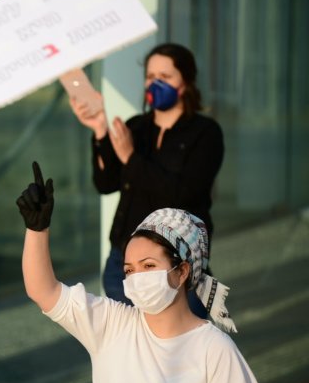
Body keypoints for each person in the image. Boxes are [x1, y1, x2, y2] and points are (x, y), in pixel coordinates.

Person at [17, 162, 263, 383]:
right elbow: (43, 290)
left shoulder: (216, 350)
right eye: (129, 270)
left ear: (182, 271)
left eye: (148, 266)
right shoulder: (110, 325)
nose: (136, 278)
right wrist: (36, 229)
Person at [69, 43, 224, 314]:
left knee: (179, 350)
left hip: (178, 265)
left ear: (185, 83)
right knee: (131, 348)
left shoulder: (206, 133)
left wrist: (131, 158)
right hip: (125, 264)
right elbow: (106, 183)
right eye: (151, 77)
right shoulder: (136, 127)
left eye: (165, 77)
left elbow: (182, 194)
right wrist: (100, 131)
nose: (155, 84)